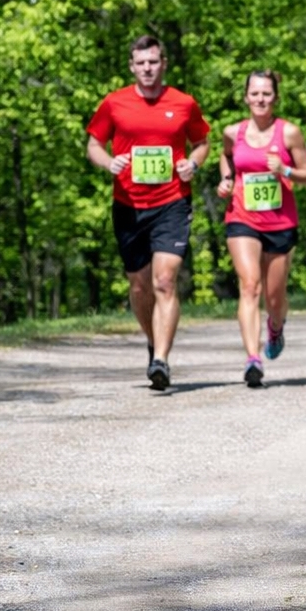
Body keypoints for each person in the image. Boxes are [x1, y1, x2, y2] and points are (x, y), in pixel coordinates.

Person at [85, 35, 212, 391]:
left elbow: (202, 142)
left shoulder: (183, 103)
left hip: (172, 201)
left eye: (153, 62)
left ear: (163, 63)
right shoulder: (115, 103)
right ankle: (154, 340)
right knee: (140, 286)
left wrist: (193, 164)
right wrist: (109, 162)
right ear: (131, 66)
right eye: (141, 63)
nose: (147, 69)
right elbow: (93, 144)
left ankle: (162, 360)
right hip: (128, 205)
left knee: (164, 280)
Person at [215, 71, 306, 387]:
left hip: (280, 222)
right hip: (242, 217)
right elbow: (226, 157)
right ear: (246, 97)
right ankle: (252, 359)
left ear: (275, 97)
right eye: (255, 94)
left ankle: (276, 325)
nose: (260, 99)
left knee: (274, 297)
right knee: (249, 285)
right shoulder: (233, 132)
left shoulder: (289, 133)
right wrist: (226, 179)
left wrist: (284, 169)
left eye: (266, 94)